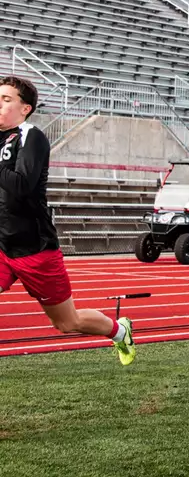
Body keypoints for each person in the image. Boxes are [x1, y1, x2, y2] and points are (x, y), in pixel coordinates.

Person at [0, 76, 136, 364]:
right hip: (2, 246)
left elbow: (22, 185)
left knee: (67, 323)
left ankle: (118, 330)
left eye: (6, 99)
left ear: (25, 109)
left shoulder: (31, 136)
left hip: (34, 249)